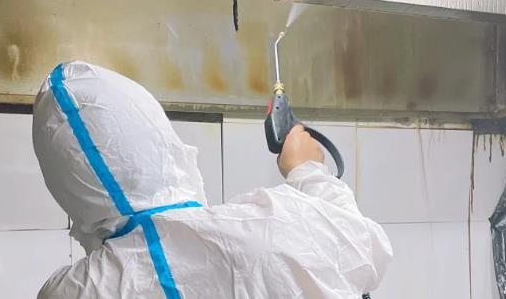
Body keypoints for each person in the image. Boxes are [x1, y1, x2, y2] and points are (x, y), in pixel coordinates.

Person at [33, 61, 392, 298]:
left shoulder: (73, 290)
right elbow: (365, 247)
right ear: (157, 136)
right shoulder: (261, 233)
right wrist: (309, 171)